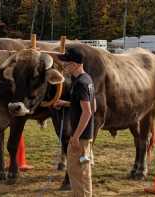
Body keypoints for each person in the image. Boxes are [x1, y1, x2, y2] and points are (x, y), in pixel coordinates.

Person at [54, 48, 96, 197]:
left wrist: (76, 136)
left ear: (75, 64)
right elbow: (92, 105)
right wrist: (66, 103)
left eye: (67, 63)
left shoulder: (81, 83)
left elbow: (88, 112)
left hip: (81, 138)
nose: (64, 66)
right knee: (79, 172)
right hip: (84, 136)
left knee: (78, 173)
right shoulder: (86, 79)